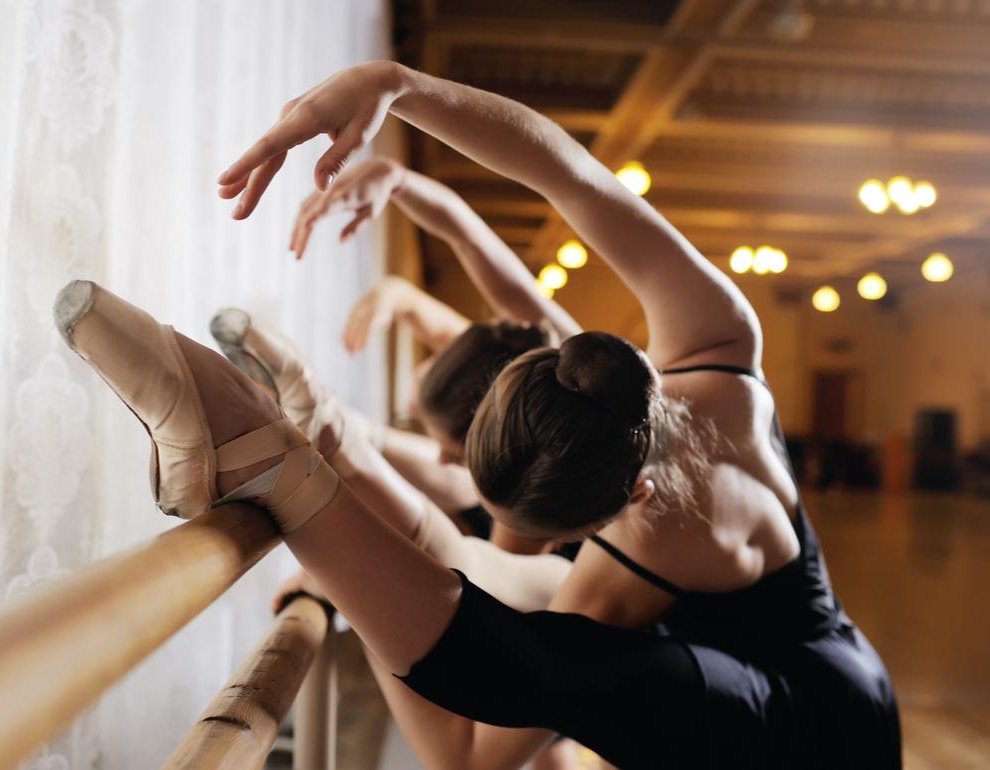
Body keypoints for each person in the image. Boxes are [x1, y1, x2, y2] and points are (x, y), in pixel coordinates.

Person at [55, 59, 899, 769]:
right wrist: (392, 86)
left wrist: (345, 575)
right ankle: (319, 446)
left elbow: (468, 750)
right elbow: (568, 171)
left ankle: (274, 462)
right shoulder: (718, 343)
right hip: (825, 646)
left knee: (514, 663)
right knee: (493, 583)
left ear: (623, 506)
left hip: (810, 736)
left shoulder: (640, 549)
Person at [293, 155, 580, 555]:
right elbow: (472, 242)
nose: (446, 457)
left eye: (459, 455)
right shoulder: (543, 361)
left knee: (452, 484)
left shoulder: (536, 492)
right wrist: (394, 180)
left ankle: (337, 425)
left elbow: (489, 572)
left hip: (522, 555)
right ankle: (334, 423)